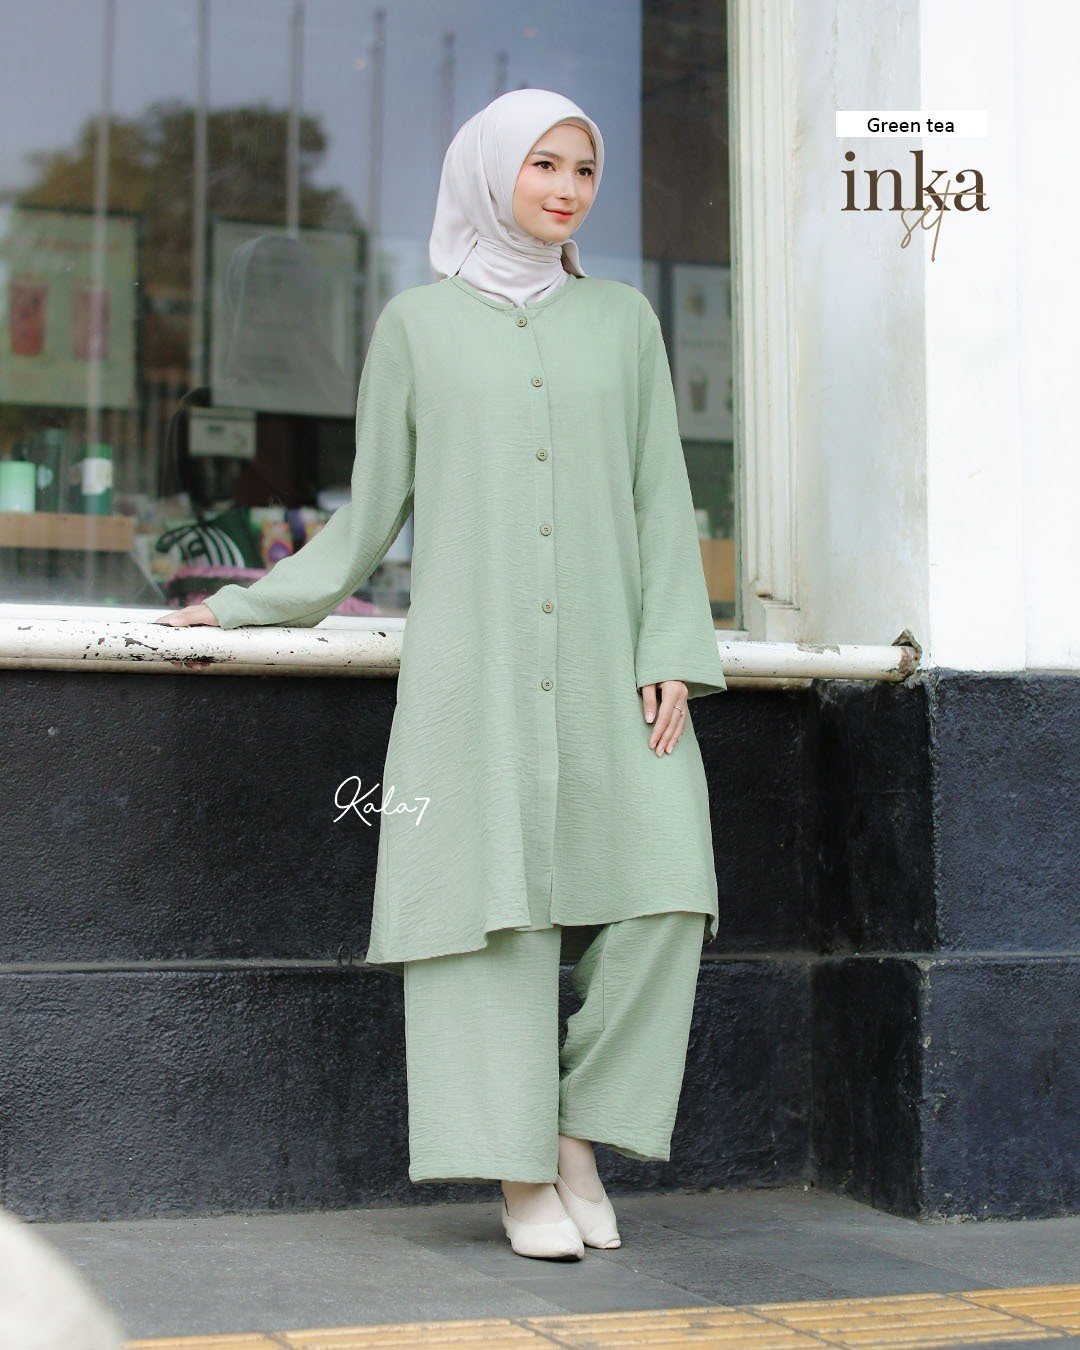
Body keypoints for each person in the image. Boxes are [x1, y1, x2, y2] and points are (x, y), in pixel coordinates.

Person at [156, 88, 728, 1262]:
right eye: (543, 165)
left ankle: (575, 1134)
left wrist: (673, 646)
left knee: (670, 890)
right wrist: (249, 601)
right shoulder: (417, 327)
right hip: (477, 672)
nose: (567, 188)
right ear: (488, 173)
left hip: (611, 669)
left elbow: (660, 494)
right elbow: (368, 514)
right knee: (488, 910)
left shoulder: (623, 321)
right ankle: (519, 1174)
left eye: (583, 168)